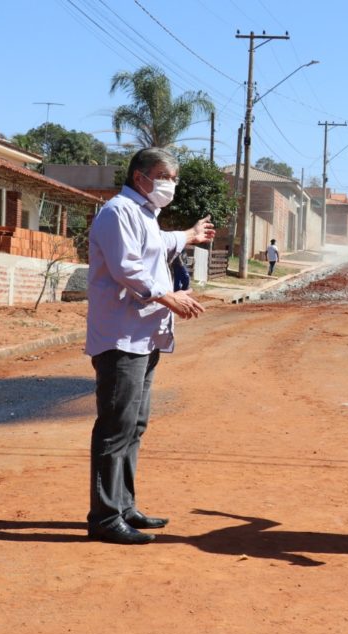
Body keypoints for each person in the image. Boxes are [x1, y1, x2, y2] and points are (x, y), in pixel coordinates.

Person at [85, 147, 215, 545]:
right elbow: (128, 267)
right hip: (120, 337)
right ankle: (105, 518)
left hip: (144, 337)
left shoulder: (144, 215)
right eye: (164, 176)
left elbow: (159, 244)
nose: (170, 184)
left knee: (134, 425)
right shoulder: (117, 212)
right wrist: (166, 296)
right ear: (140, 176)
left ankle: (124, 506)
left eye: (174, 177)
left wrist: (190, 235)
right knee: (114, 426)